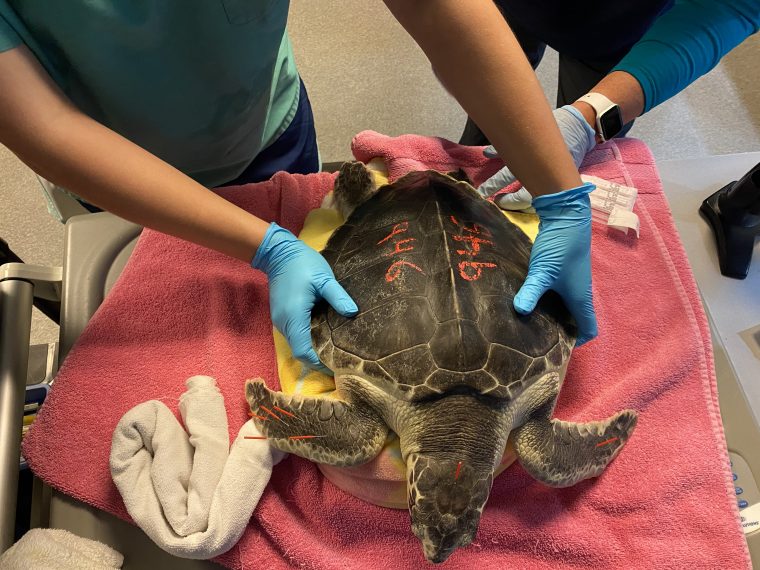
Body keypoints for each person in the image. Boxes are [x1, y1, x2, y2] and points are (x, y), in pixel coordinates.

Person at [0, 0, 595, 376]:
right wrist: (270, 246)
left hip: (264, 123)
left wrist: (561, 194)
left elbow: (438, 8)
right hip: (116, 176)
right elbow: (43, 125)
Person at [474, 0, 760, 207]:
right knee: (475, 149)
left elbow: (730, 7)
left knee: (567, 172)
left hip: (610, 31)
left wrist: (588, 119)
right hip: (502, 10)